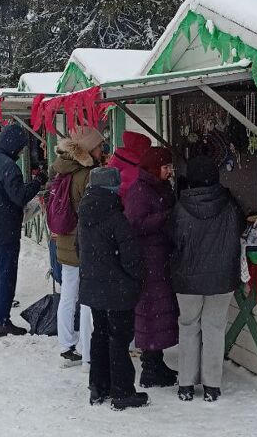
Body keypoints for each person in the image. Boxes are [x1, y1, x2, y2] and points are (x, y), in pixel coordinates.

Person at [170, 155, 244, 403]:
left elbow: (174, 241)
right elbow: (239, 230)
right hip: (221, 279)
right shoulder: (230, 204)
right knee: (214, 329)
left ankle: (186, 385)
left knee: (188, 327)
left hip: (187, 279)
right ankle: (212, 386)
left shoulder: (180, 207)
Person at [78, 167, 149, 410]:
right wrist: (138, 277)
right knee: (119, 339)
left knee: (99, 334)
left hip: (94, 286)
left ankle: (98, 386)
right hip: (117, 288)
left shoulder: (85, 214)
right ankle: (122, 391)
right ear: (113, 188)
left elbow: (80, 250)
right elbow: (130, 258)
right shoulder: (116, 217)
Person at [0, 124, 45, 337]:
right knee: (6, 274)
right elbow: (19, 196)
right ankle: (2, 321)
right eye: (21, 147)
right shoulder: (8, 166)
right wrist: (38, 182)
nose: (22, 151)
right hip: (6, 228)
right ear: (13, 144)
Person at [124, 147, 179, 388]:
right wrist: (166, 216)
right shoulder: (139, 191)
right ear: (154, 168)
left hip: (160, 258)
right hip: (148, 261)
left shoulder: (160, 187)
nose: (169, 171)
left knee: (160, 312)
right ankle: (150, 365)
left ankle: (156, 360)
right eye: (166, 167)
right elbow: (135, 224)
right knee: (150, 313)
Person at [52, 125, 103, 367]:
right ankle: (87, 351)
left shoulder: (62, 169)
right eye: (99, 146)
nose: (102, 150)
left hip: (64, 239)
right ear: (89, 149)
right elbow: (91, 213)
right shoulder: (88, 174)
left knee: (68, 295)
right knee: (88, 299)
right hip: (83, 242)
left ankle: (66, 346)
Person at [107, 131, 151, 199]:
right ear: (139, 148)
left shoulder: (118, 159)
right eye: (146, 149)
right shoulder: (134, 165)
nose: (147, 152)